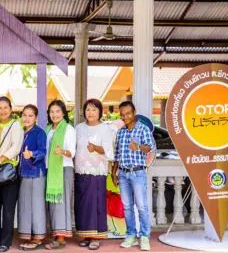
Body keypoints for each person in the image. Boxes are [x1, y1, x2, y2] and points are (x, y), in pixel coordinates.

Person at [112, 101, 155, 251]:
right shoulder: (121, 132)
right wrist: (113, 173)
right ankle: (131, 235)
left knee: (141, 206)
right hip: (123, 173)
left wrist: (138, 147)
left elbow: (150, 147)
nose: (125, 117)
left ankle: (144, 237)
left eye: (128, 114)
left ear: (134, 112)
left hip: (138, 173)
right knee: (127, 206)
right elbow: (117, 155)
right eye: (122, 115)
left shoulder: (143, 129)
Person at [0, 96, 24, 252]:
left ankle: (5, 242)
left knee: (8, 210)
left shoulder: (16, 125)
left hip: (8, 171)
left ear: (10, 108)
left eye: (5, 107)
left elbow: (15, 148)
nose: (2, 110)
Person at [74, 99, 114, 250]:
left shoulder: (105, 129)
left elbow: (109, 152)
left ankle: (96, 237)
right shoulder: (78, 128)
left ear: (100, 112)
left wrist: (95, 148)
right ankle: (85, 234)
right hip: (81, 171)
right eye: (88, 109)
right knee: (82, 204)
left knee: (96, 204)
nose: (90, 113)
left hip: (96, 172)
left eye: (94, 109)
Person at [44, 100, 76, 250]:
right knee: (53, 204)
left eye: (57, 111)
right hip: (50, 171)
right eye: (51, 111)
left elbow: (71, 152)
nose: (54, 114)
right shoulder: (48, 129)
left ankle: (61, 238)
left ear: (63, 113)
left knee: (61, 203)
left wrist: (61, 151)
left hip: (63, 169)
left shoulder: (68, 129)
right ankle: (56, 235)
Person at [17, 105, 47, 251]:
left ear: (35, 118)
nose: (27, 118)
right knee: (26, 206)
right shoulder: (22, 133)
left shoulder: (39, 133)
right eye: (25, 115)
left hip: (36, 173)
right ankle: (29, 236)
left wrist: (32, 154)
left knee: (37, 207)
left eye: (30, 115)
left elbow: (42, 152)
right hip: (24, 174)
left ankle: (38, 238)